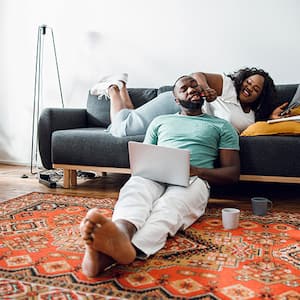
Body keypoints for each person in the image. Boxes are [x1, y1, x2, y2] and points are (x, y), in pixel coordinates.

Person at [80, 75, 240, 277]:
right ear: (176, 100)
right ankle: (120, 232)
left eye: (194, 86)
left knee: (167, 209)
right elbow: (146, 155)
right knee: (135, 191)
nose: (191, 89)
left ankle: (108, 256)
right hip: (155, 173)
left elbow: (233, 173)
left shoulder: (222, 126)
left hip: (196, 179)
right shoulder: (160, 121)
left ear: (202, 93)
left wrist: (197, 170)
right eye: (184, 88)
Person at [90, 68, 286, 135]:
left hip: (185, 123)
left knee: (130, 120)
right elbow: (197, 74)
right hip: (176, 105)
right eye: (248, 82)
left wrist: (271, 118)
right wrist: (205, 88)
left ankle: (122, 84)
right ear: (243, 80)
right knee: (121, 129)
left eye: (256, 88)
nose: (249, 88)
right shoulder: (228, 87)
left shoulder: (252, 119)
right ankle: (113, 88)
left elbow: (260, 130)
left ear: (261, 95)